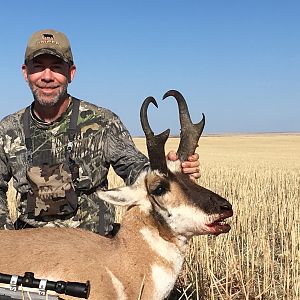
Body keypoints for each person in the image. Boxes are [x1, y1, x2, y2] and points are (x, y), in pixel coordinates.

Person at [0, 29, 200, 236]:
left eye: (57, 67)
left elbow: (135, 169)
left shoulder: (103, 123)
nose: (47, 76)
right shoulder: (7, 130)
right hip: (32, 255)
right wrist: (6, 243)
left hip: (97, 253)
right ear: (26, 73)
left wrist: (168, 172)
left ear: (71, 73)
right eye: (39, 67)